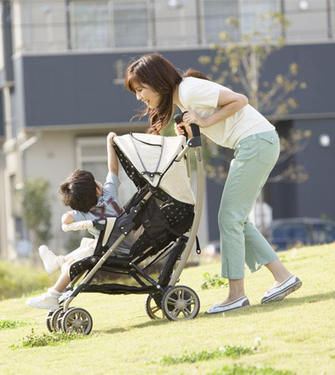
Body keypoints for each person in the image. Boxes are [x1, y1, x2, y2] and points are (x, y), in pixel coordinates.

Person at [125, 53, 301, 314]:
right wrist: (191, 128)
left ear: (157, 81)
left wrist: (204, 121)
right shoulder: (184, 98)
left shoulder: (189, 89)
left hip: (256, 143)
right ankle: (282, 277)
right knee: (236, 218)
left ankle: (236, 294)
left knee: (230, 218)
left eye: (141, 89)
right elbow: (218, 122)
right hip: (255, 144)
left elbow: (240, 101)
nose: (139, 97)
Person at [26, 132, 129, 309]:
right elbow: (113, 168)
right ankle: (58, 263)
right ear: (97, 190)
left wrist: (71, 214)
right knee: (84, 249)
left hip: (111, 250)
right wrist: (109, 143)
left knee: (73, 263)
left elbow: (66, 219)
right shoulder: (109, 194)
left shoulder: (85, 213)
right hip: (120, 245)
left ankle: (53, 293)